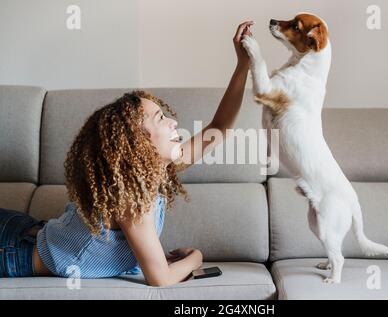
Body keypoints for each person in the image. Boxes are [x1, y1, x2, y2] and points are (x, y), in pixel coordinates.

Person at [0, 21, 254, 286]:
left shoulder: (153, 171)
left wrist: (242, 65)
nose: (173, 122)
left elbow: (220, 127)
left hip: (26, 229)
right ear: (138, 143)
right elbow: (160, 278)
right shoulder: (131, 199)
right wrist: (196, 257)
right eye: (160, 118)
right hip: (13, 249)